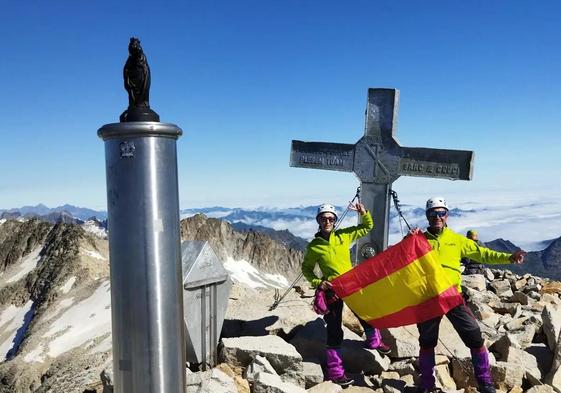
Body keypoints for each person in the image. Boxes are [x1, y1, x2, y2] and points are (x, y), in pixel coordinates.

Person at [410, 197, 526, 393]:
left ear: (447, 215)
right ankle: (427, 384)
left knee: (475, 337)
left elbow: (482, 254)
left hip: (452, 296)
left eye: (441, 213)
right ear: (427, 216)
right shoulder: (417, 239)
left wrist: (508, 257)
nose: (437, 217)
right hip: (428, 298)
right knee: (427, 342)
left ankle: (485, 382)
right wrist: (408, 240)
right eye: (433, 213)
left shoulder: (457, 240)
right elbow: (400, 262)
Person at [302, 202, 391, 386]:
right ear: (318, 220)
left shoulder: (344, 235)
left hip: (351, 284)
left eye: (331, 218)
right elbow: (307, 270)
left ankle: (374, 341)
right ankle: (335, 371)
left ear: (335, 221)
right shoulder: (314, 247)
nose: (327, 221)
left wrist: (363, 212)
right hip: (332, 289)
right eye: (324, 218)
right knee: (334, 328)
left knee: (365, 312)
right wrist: (319, 282)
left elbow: (367, 226)